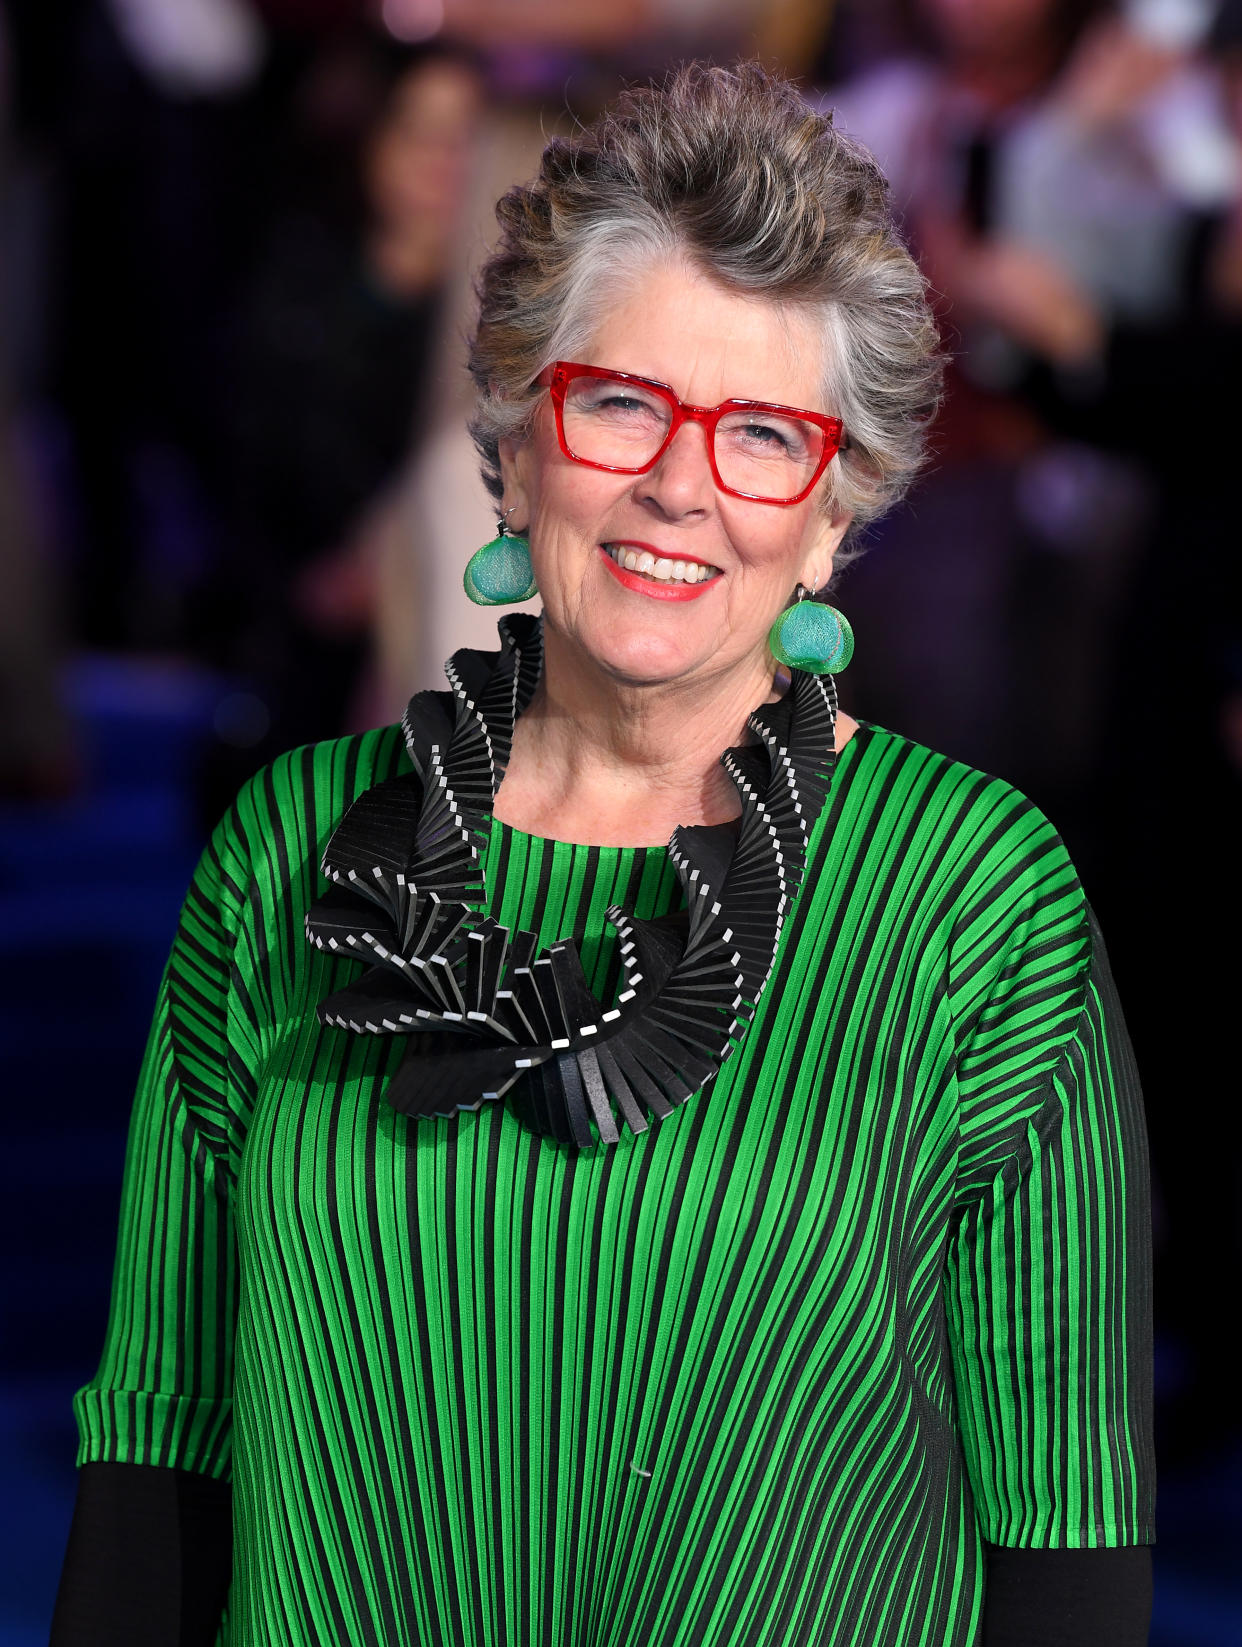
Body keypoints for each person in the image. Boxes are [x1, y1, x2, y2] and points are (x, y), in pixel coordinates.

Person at [52, 62, 1154, 1647]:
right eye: (621, 400)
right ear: (513, 444)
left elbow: (1063, 1517)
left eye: (763, 433)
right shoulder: (293, 850)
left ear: (834, 515)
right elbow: (161, 1439)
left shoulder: (976, 899)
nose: (677, 485)